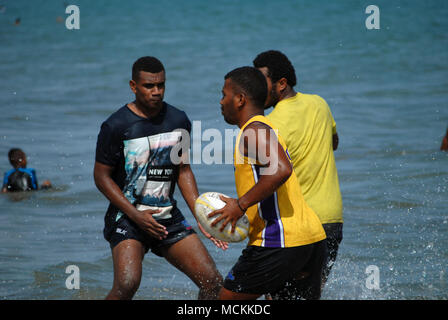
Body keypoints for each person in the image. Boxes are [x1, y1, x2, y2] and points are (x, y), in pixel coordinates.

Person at [94, 56, 225, 300]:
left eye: (161, 85)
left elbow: (183, 170)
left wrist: (201, 214)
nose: (156, 91)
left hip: (167, 216)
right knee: (127, 284)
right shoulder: (115, 125)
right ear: (133, 86)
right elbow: (101, 177)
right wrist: (136, 216)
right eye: (148, 86)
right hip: (128, 218)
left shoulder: (178, 120)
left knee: (214, 284)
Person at [209, 66, 327, 300]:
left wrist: (240, 205)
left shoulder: (253, 131)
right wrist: (239, 207)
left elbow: (281, 170)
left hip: (278, 242)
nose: (221, 102)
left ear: (240, 99)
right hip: (311, 239)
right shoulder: (268, 128)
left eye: (224, 95)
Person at [253, 50, 343, 285]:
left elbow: (266, 180)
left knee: (277, 293)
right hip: (332, 219)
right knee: (313, 293)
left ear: (281, 84)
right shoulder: (319, 103)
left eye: (261, 83)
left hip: (300, 225)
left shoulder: (269, 125)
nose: (257, 90)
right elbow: (334, 142)